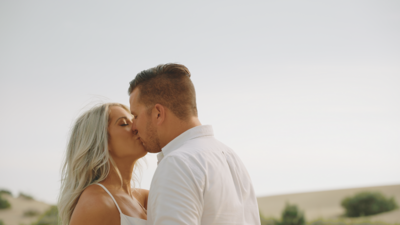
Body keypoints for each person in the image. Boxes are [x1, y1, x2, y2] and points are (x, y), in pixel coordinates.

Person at [128, 63, 261, 225]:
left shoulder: (177, 164)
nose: (133, 126)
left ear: (158, 114)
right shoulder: (231, 157)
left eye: (135, 116)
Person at [58, 103, 148, 225]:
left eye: (134, 120)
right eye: (124, 124)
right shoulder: (95, 203)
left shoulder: (144, 199)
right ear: (103, 142)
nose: (136, 127)